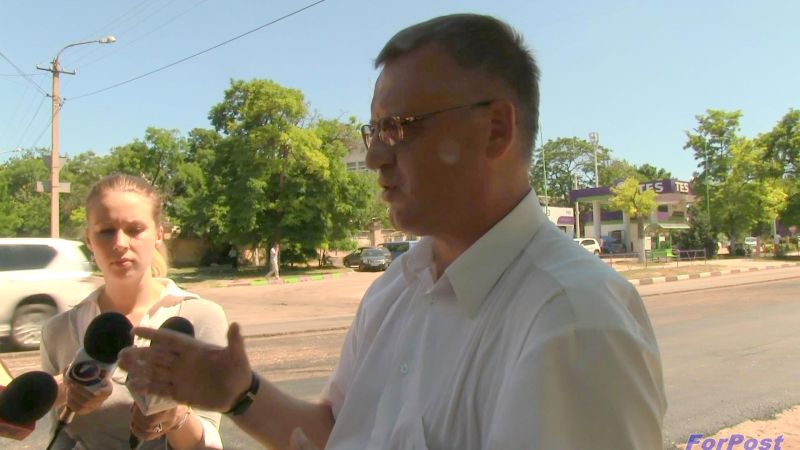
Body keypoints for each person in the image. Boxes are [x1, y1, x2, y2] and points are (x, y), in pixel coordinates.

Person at [120, 14, 666, 449]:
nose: (376, 156)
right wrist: (239, 394)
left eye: (401, 127)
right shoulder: (396, 289)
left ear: (495, 129)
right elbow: (339, 432)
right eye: (375, 129)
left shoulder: (574, 318)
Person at [41, 173, 229, 449]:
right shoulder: (58, 330)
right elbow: (61, 438)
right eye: (106, 231)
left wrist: (175, 417)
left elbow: (208, 440)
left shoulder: (200, 317)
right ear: (89, 239)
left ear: (158, 234)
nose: (120, 243)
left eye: (134, 229)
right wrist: (67, 398)